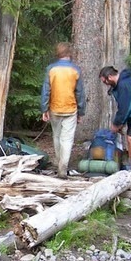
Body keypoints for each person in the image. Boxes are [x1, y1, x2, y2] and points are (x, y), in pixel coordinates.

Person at [41, 42, 85, 178]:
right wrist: (81, 111)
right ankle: (63, 168)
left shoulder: (51, 69)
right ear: (69, 53)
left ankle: (59, 163)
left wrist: (44, 108)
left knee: (57, 137)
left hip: (55, 108)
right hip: (71, 108)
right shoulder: (75, 70)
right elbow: (80, 93)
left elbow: (46, 91)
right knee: (67, 139)